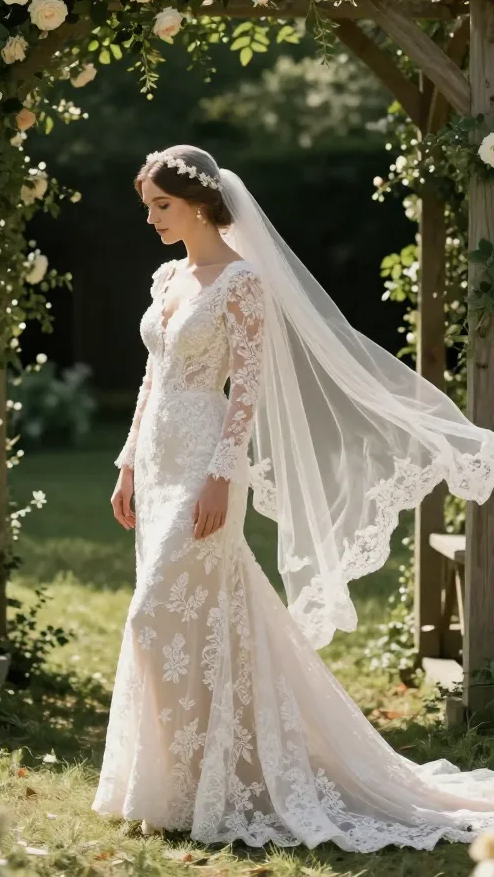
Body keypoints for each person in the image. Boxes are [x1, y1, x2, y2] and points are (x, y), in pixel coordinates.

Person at [92, 144, 494, 849]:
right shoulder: (169, 277)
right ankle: (180, 785)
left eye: (161, 204)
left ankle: (230, 774)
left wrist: (222, 472)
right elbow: (151, 379)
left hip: (205, 460)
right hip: (157, 462)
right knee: (193, 621)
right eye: (148, 206)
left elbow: (245, 386)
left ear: (199, 202)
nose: (151, 218)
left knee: (154, 615)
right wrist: (127, 463)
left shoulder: (242, 282)